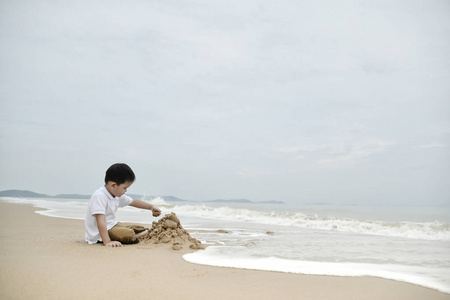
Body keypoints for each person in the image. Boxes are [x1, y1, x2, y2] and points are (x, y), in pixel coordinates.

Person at [85, 163, 161, 247]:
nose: (126, 191)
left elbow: (134, 202)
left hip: (113, 225)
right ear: (113, 185)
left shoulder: (116, 195)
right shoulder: (99, 196)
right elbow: (101, 222)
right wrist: (107, 242)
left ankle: (142, 233)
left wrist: (151, 207)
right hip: (99, 233)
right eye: (124, 188)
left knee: (139, 228)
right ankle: (138, 236)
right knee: (128, 234)